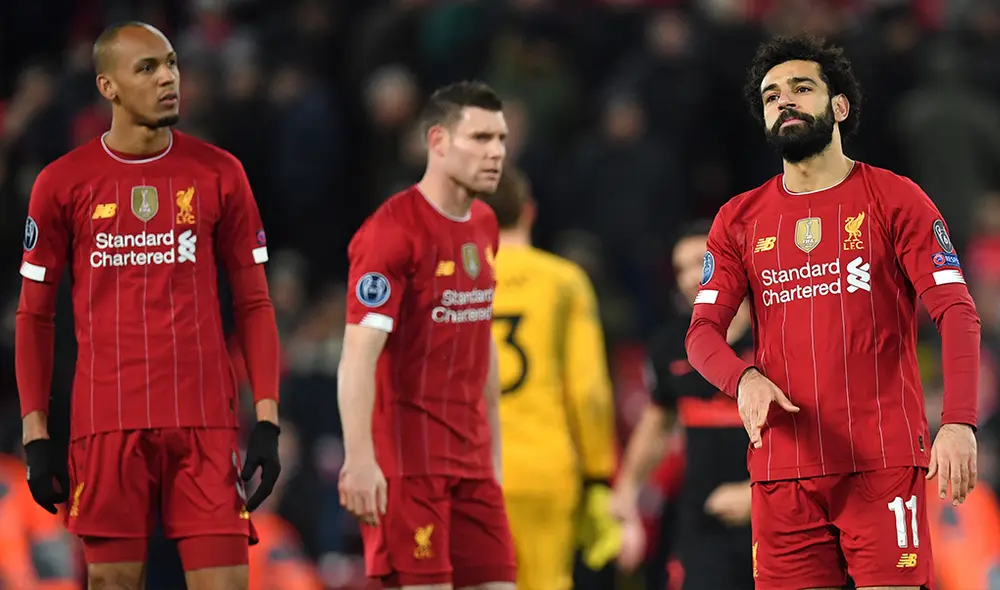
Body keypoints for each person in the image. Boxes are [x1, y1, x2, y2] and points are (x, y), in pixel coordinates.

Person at [685, 34, 981, 590]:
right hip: (782, 471)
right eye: (773, 96)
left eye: (802, 88)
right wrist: (742, 377)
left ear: (838, 106)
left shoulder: (897, 199)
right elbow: (701, 333)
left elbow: (957, 311)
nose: (786, 102)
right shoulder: (738, 219)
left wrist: (959, 422)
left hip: (883, 464)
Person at [14, 22, 282, 590]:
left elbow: (255, 301)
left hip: (205, 425)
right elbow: (34, 315)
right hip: (108, 425)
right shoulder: (62, 183)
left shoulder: (221, 173)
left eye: (173, 64)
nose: (168, 79)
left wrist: (266, 420)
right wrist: (36, 434)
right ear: (107, 87)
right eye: (148, 68)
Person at [337, 81, 516, 590]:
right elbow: (357, 356)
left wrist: (495, 459)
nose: (496, 152)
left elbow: (482, 341)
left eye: (501, 139)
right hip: (409, 467)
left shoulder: (484, 224)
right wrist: (359, 459)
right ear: (437, 141)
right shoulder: (391, 233)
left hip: (474, 465)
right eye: (480, 138)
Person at [478, 167, 620, 590]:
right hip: (545, 467)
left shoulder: (449, 282)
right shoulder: (565, 282)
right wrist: (598, 475)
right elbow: (590, 391)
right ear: (530, 212)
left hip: (472, 469)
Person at [612, 220, 755, 590]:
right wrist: (626, 493)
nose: (692, 277)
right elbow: (657, 423)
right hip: (703, 526)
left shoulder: (781, 335)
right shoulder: (670, 344)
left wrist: (756, 493)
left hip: (783, 517)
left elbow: (818, 428)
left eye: (702, 262)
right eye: (681, 269)